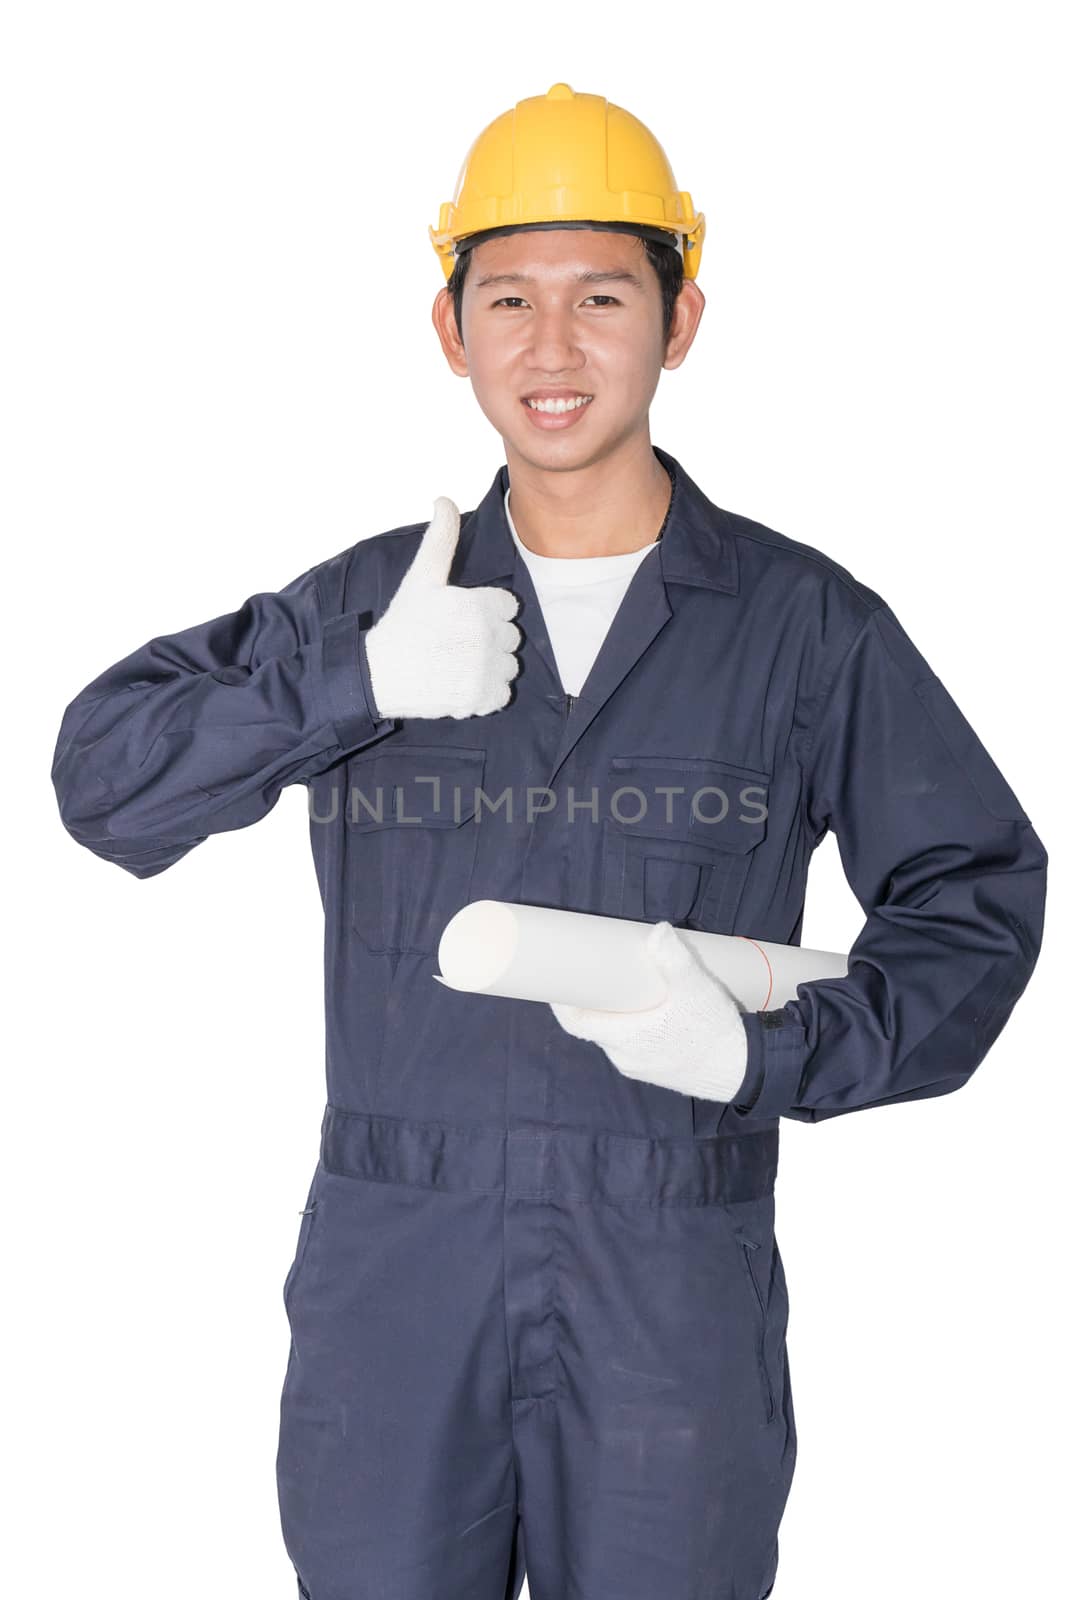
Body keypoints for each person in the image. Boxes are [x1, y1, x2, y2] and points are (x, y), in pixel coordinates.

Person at [51, 81, 1047, 1600]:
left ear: (683, 319)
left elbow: (974, 899)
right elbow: (105, 782)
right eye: (508, 299)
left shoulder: (804, 629)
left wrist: (771, 1059)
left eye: (603, 296)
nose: (553, 347)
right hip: (400, 1277)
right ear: (450, 330)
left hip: (671, 1289)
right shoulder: (374, 606)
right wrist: (353, 682)